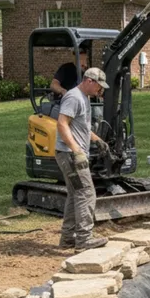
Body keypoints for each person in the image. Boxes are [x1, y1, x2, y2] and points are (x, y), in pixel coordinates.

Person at [55, 67, 111, 252]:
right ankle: (84, 240)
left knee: (75, 194)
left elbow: (82, 128)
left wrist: (97, 140)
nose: (100, 90)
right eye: (98, 86)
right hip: (70, 155)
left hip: (70, 153)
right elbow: (62, 124)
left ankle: (67, 239)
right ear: (89, 81)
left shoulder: (84, 98)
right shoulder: (74, 97)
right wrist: (77, 151)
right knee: (86, 194)